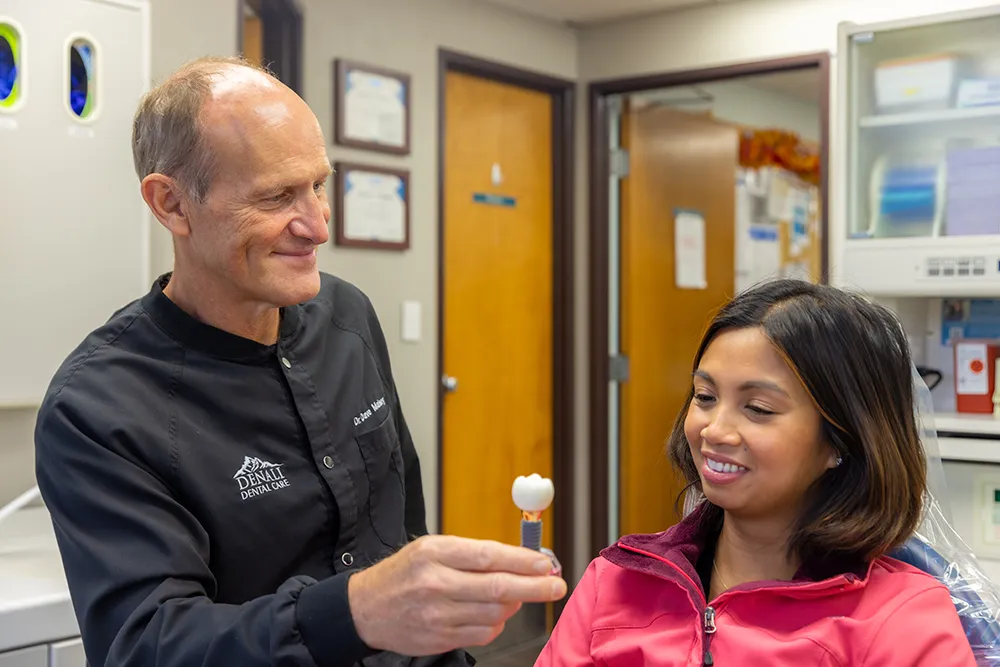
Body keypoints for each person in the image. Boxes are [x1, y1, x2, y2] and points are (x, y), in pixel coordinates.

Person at [34, 56, 566, 667]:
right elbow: (149, 646)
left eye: (319, 184)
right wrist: (354, 612)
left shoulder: (348, 319)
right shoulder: (99, 408)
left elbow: (400, 526)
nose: (316, 225)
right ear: (172, 205)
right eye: (277, 196)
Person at [535, 279, 976, 666]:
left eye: (758, 409)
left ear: (841, 441)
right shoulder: (615, 582)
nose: (715, 430)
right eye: (705, 396)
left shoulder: (903, 621)